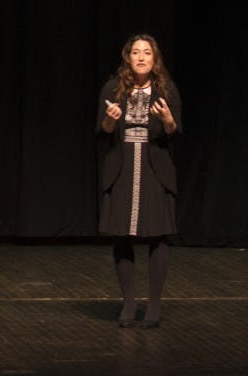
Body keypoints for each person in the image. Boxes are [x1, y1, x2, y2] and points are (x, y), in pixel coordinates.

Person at [96, 33, 181, 329]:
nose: (142, 57)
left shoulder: (166, 90)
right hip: (122, 166)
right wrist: (111, 118)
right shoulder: (113, 88)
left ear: (155, 59)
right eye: (136, 52)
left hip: (153, 166)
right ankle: (129, 303)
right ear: (128, 58)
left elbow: (174, 132)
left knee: (157, 235)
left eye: (147, 52)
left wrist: (168, 119)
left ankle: (154, 306)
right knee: (122, 235)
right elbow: (104, 131)